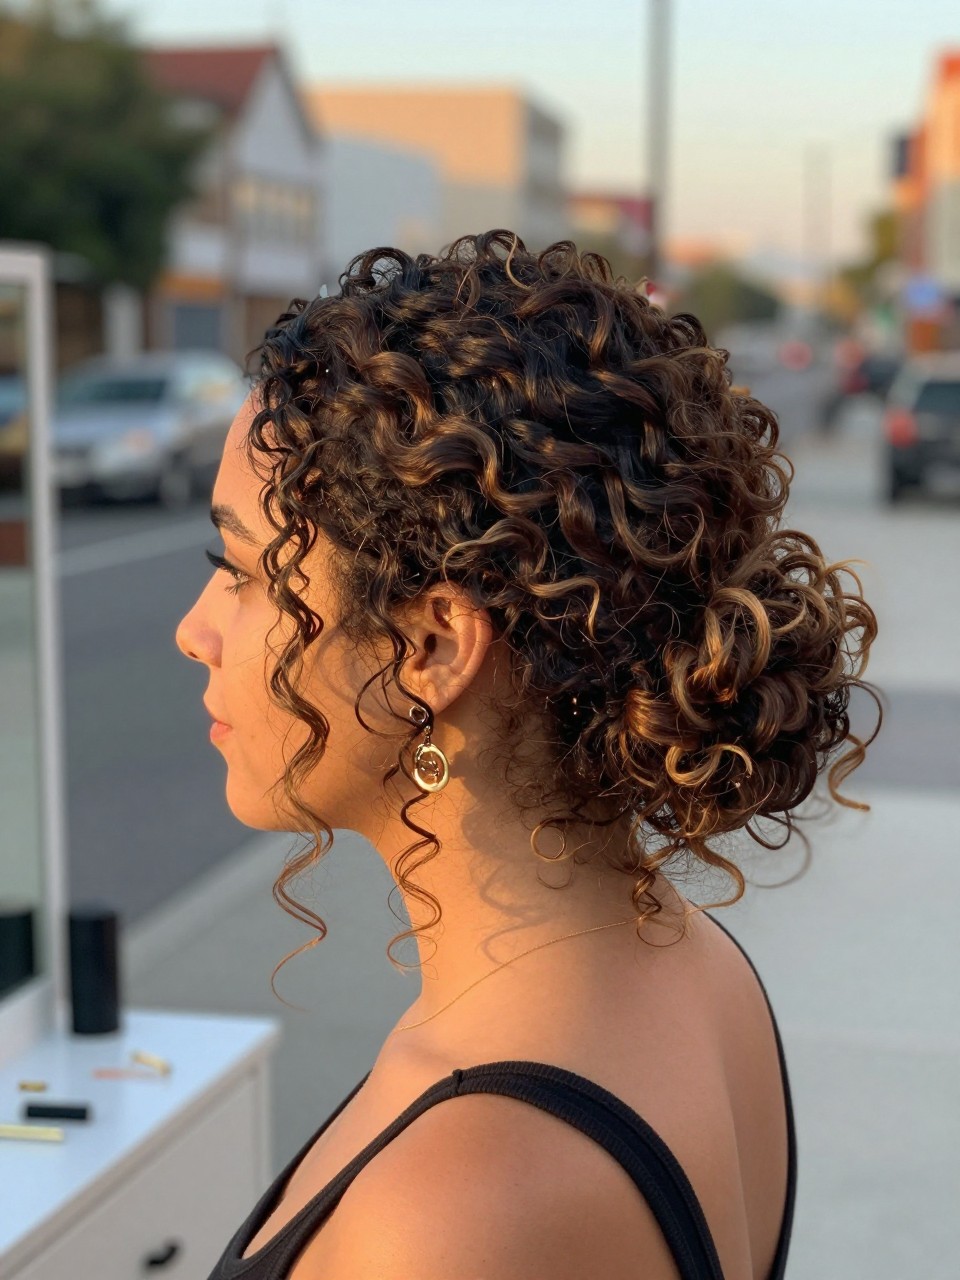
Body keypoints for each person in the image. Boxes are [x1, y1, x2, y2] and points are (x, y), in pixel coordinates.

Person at [175, 230, 879, 1280]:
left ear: (431, 647)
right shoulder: (701, 971)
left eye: (239, 568)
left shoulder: (452, 1212)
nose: (196, 628)